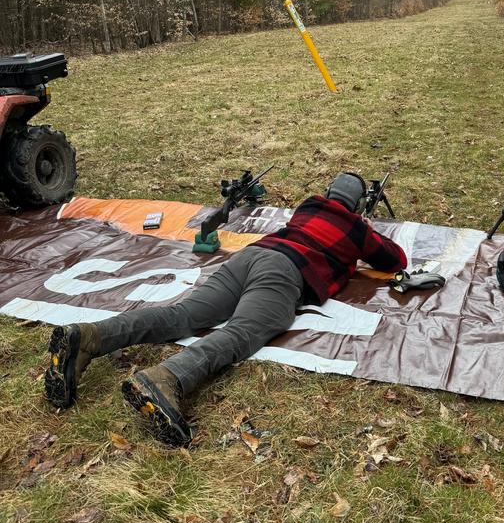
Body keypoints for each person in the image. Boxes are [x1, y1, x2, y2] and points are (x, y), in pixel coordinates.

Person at [44, 172, 407, 447]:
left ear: (328, 194)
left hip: (248, 258)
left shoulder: (308, 206)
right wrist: (366, 228)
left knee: (182, 315)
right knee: (242, 333)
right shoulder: (357, 227)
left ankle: (91, 336)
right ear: (358, 205)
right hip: (285, 271)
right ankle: (167, 377)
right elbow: (394, 259)